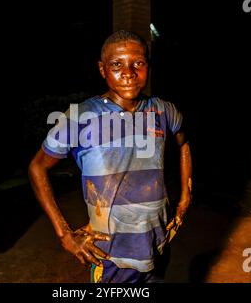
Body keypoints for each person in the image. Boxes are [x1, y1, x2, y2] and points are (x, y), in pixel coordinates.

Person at [28, 30, 192, 283]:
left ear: (147, 66)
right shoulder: (80, 117)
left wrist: (184, 199)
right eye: (117, 64)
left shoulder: (163, 109)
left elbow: (183, 144)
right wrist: (65, 234)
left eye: (138, 63)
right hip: (112, 255)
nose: (128, 73)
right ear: (102, 69)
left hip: (159, 242)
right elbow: (38, 167)